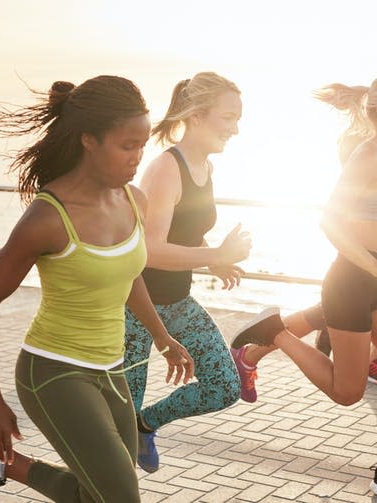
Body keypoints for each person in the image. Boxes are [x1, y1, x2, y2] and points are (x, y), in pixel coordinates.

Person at [0, 76, 194, 502]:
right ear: (89, 141)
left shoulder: (134, 200)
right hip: (53, 371)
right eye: (127, 145)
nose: (138, 157)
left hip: (112, 368)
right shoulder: (48, 217)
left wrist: (162, 336)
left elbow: (127, 273)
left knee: (99, 493)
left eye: (142, 144)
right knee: (121, 497)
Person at [232, 71, 377, 500]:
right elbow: (329, 219)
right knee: (347, 392)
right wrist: (376, 267)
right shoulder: (367, 157)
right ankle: (274, 331)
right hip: (353, 281)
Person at [123, 72, 249, 473]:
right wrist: (213, 253)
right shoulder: (165, 169)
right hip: (135, 309)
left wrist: (215, 259)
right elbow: (149, 251)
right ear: (196, 115)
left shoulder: (205, 167)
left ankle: (147, 424)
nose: (235, 128)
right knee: (118, 420)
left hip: (177, 303)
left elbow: (181, 236)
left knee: (225, 387)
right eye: (228, 118)